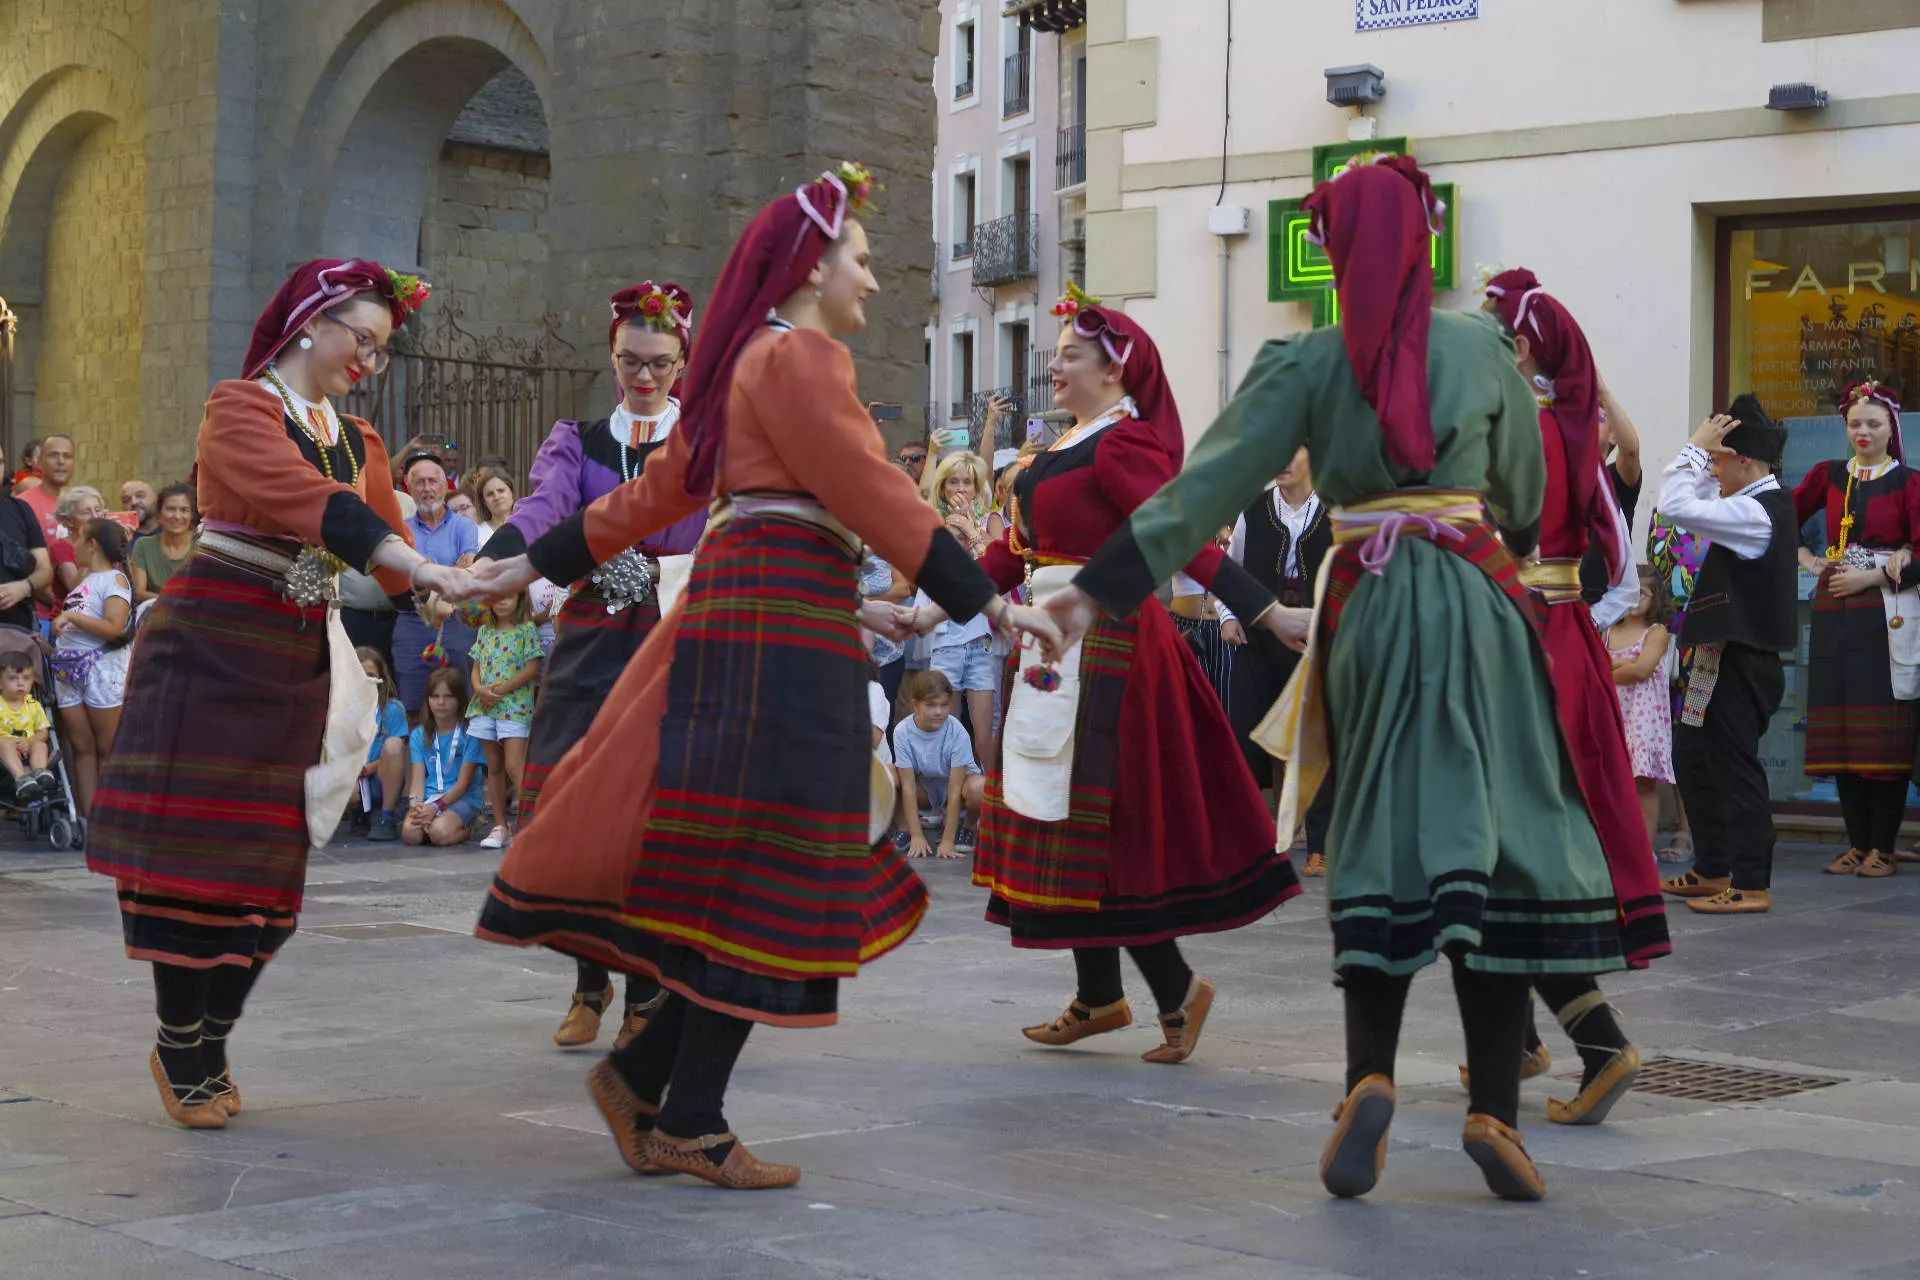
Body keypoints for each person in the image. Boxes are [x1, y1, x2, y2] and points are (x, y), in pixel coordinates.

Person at [1047, 156, 1627, 1201]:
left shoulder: (1306, 363)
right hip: (1480, 605)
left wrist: (1093, 591)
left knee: (1376, 832)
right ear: (1426, 242)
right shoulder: (1485, 351)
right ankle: (1496, 1105)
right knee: (1497, 842)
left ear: (1331, 247)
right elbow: (1529, 499)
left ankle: (1369, 1076)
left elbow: (1203, 487)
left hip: (1367, 609)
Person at [471, 164, 1061, 1189]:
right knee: (773, 858)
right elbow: (874, 489)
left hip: (759, 608)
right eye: (862, 261)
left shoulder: (746, 360)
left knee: (746, 859)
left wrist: (536, 557)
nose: (873, 282)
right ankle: (681, 1109)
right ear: (812, 264)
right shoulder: (802, 359)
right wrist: (992, 599)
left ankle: (652, 1080)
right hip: (778, 621)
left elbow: (663, 490)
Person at [85, 257, 453, 1128]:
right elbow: (304, 499)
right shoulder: (240, 406)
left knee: (269, 869)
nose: (369, 357)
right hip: (213, 641)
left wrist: (445, 587)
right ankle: (185, 1043)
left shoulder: (359, 439)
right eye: (360, 338)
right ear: (310, 324)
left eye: (382, 349)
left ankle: (210, 1031)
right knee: (195, 863)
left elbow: (390, 548)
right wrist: (415, 564)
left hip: (296, 656)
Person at [918, 281, 1297, 1066]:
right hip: (1052, 642)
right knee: (1058, 813)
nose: (1053, 369)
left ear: (1116, 372)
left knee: (1102, 822)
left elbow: (1181, 532)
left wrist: (1264, 612)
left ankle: (1172, 992)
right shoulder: (1061, 447)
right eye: (1055, 356)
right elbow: (1014, 552)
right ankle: (1101, 995)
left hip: (1114, 645)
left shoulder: (1121, 445)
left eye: (1070, 358)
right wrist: (931, 611)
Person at [473, 281, 704, 1052]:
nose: (644, 377)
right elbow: (544, 510)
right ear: (612, 357)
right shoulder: (578, 440)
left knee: (648, 822)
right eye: (630, 362)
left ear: (682, 362)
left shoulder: (704, 442)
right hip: (590, 637)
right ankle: (587, 982)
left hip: (672, 639)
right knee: (569, 812)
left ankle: (644, 994)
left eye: (660, 364)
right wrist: (495, 559)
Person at [1481, 268, 1667, 1125]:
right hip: (1564, 638)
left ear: (1519, 347)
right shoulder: (1574, 431)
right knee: (1522, 839)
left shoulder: (1508, 427)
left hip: (1510, 638)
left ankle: (1593, 1040)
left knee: (1500, 845)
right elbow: (1620, 567)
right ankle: (1517, 1039)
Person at [1658, 398, 1799, 915]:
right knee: (1695, 755)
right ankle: (1713, 866)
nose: (1713, 470)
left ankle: (1751, 881)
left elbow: (1674, 507)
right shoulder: (1753, 501)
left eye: (1720, 461)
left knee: (1734, 766)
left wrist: (1695, 448)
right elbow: (1685, 505)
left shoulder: (1756, 509)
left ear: (1743, 460)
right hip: (1722, 655)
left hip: (1741, 660)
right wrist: (1702, 459)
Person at [1790, 380, 1920, 881]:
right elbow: (1781, 522)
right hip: (1832, 613)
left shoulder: (1908, 483)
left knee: (1882, 736)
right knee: (1840, 730)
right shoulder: (1827, 476)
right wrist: (1805, 556)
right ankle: (1856, 844)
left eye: (1874, 423)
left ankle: (1883, 848)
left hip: (1885, 613)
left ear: (1892, 428)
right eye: (1855, 424)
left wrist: (1875, 572)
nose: (1863, 432)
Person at [1217, 449, 1333, 873]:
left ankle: (1320, 843)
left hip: (1319, 641)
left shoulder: (1339, 507)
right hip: (1260, 636)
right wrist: (1229, 616)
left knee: (1317, 736)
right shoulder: (1255, 508)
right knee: (1246, 732)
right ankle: (1246, 837)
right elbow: (1231, 567)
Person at [50, 517, 133, 816]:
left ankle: (114, 819)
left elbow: (114, 626)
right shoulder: (85, 581)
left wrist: (71, 618)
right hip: (69, 672)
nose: (73, 546)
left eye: (78, 538)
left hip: (101, 669)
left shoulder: (115, 579)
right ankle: (88, 819)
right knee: (81, 746)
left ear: (92, 544)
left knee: (107, 747)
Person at [393, 452, 480, 712]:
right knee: (412, 702)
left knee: (461, 699)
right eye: (420, 483)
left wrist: (421, 572)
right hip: (412, 621)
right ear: (409, 488)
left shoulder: (465, 527)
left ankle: (461, 752)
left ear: (444, 486)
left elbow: (467, 573)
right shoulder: (401, 531)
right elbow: (398, 575)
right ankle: (418, 753)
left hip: (455, 622)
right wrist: (449, 570)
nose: (427, 489)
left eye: (433, 481)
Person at [467, 589, 542, 850]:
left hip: (514, 706)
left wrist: (500, 690)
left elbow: (532, 668)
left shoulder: (526, 630)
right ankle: (500, 825)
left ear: (520, 599)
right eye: (496, 596)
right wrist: (479, 689)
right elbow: (476, 667)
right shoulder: (484, 631)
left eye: (508, 596)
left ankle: (533, 824)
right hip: (485, 706)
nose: (501, 601)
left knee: (514, 765)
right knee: (494, 766)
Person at [1609, 566, 1676, 848]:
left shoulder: (1656, 632)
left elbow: (1642, 670)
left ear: (1655, 597)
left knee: (1643, 784)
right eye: (1628, 592)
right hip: (1612, 715)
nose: (1634, 598)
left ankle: (1644, 850)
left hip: (1641, 718)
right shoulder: (1607, 630)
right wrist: (1626, 664)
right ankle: (1617, 847)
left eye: (1642, 593)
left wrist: (1606, 669)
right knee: (1610, 782)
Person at [892, 668, 986, 858]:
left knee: (980, 787)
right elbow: (909, 786)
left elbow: (954, 789)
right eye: (931, 705)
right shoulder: (902, 731)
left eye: (944, 705)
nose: (939, 712)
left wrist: (947, 841)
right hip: (926, 790)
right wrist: (918, 835)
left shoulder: (957, 732)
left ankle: (967, 827)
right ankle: (907, 829)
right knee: (889, 775)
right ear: (915, 705)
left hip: (957, 790)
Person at [404, 665, 484, 846]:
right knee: (411, 834)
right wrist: (416, 807)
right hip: (431, 797)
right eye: (435, 696)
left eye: (448, 697)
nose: (441, 702)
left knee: (438, 834)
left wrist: (436, 808)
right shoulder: (419, 734)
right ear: (428, 700)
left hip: (463, 798)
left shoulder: (470, 733)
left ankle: (471, 827)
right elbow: (417, 781)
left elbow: (464, 784)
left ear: (460, 701)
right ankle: (433, 825)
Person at [356, 646, 408, 842]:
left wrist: (367, 768)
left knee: (393, 745)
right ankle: (359, 814)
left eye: (371, 675)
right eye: (359, 675)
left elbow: (396, 751)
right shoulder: (340, 708)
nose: (365, 680)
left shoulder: (392, 709)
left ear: (381, 679)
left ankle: (386, 816)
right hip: (350, 779)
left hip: (379, 777)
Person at [0, 440, 52, 633]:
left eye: (0, 462)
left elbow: (45, 569)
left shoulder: (20, 509)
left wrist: (24, 587)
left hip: (17, 634)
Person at [129, 484, 199, 604]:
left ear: (191, 515)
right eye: (171, 509)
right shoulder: (144, 546)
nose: (177, 516)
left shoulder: (202, 546)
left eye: (184, 510)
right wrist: (174, 602)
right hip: (155, 613)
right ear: (159, 514)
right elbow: (139, 593)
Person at [0, 650, 54, 800]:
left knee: (41, 745)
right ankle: (21, 778)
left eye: (26, 678)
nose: (20, 683)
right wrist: (12, 743)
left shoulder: (34, 705)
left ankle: (40, 773)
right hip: (4, 754)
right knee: (5, 743)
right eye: (13, 678)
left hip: (29, 750)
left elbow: (43, 732)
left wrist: (29, 741)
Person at [19, 433, 76, 542]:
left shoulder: (86, 505)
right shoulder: (22, 504)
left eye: (67, 456)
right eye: (53, 455)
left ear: (74, 463)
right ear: (39, 462)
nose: (61, 461)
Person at [470, 465, 517, 547]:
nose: (497, 497)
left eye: (501, 491)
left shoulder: (529, 525)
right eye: (490, 494)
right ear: (484, 501)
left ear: (512, 492)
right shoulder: (477, 533)